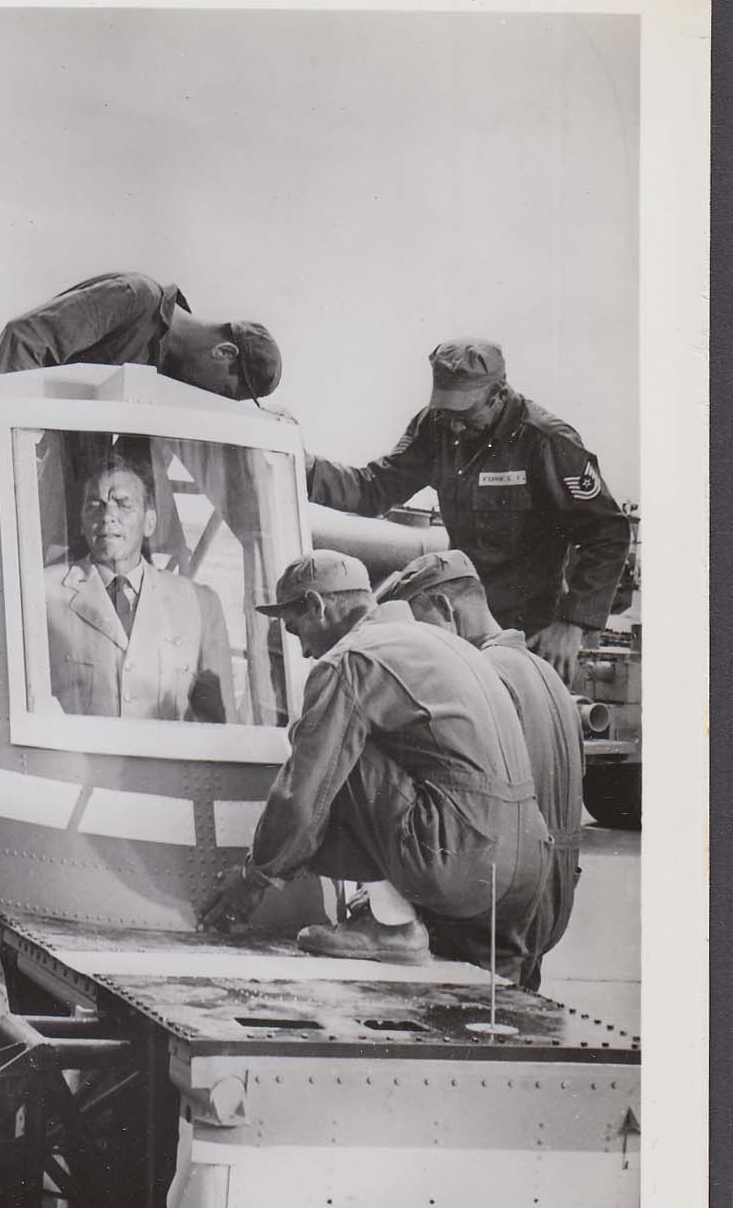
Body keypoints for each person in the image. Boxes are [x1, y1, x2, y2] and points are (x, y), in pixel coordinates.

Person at [200, 551, 552, 974]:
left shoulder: (350, 659)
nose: (306, 651)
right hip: (530, 866)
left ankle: (391, 923)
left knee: (326, 742)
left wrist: (255, 878)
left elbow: (305, 790)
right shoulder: (446, 644)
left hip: (459, 859)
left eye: (297, 632)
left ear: (317, 605)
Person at [305, 339, 631, 685]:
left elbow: (608, 532)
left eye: (466, 416)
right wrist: (305, 468)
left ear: (499, 394)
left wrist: (572, 625)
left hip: (530, 636)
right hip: (463, 623)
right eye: (447, 413)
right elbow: (373, 489)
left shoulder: (545, 441)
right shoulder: (436, 426)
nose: (455, 428)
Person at [375, 550, 584, 991]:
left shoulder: (477, 680)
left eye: (418, 632)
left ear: (445, 610)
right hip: (551, 903)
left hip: (496, 907)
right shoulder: (547, 675)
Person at [44, 459, 237, 722]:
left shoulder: (200, 604)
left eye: (123, 505)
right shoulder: (42, 594)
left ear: (149, 523)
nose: (107, 515)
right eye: (94, 505)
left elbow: (220, 724)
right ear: (81, 523)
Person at [0, 271, 282, 403]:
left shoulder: (164, 372)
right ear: (224, 352)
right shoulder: (135, 298)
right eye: (225, 392)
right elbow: (26, 339)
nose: (212, 397)